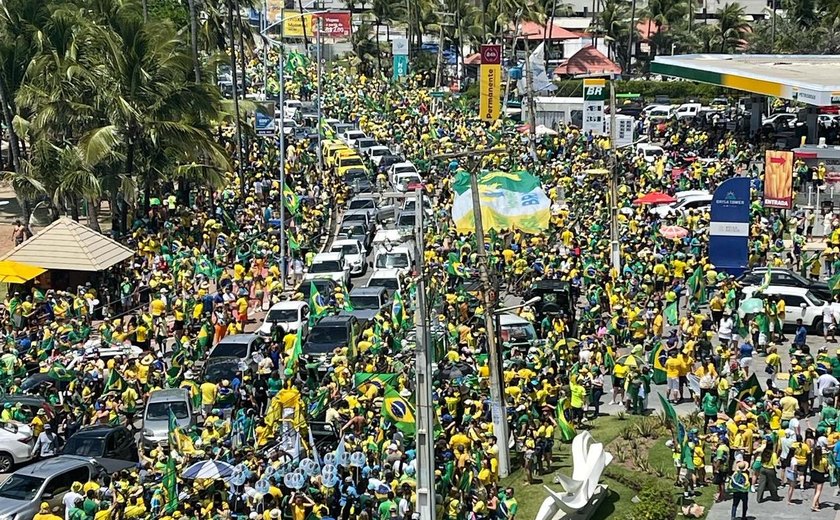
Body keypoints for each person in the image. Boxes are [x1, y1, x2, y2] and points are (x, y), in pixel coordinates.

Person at [811, 445, 829, 511]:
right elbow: (826, 469)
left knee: (816, 490)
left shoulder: (813, 458)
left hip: (814, 474)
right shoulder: (824, 460)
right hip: (820, 475)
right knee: (818, 491)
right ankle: (813, 505)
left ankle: (817, 504)